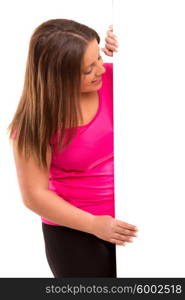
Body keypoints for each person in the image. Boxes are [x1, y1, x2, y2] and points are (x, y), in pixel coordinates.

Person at [8, 19, 138, 278]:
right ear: (58, 76)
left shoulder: (115, 80)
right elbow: (34, 195)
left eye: (99, 57)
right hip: (73, 230)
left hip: (131, 218)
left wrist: (130, 45)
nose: (100, 69)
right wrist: (93, 224)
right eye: (88, 68)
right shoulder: (33, 123)